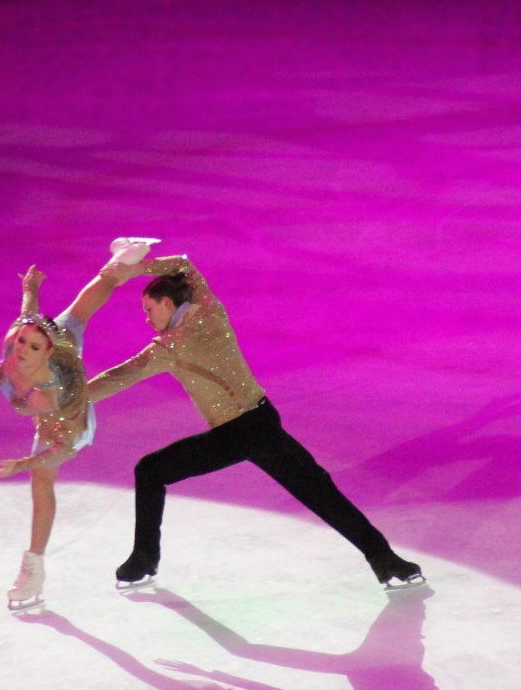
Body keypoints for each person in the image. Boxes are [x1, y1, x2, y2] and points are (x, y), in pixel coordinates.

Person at [86, 251, 424, 591]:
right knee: (321, 493)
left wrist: (74, 400)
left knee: (150, 470)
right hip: (262, 422)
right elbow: (184, 265)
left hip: (234, 434)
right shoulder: (211, 311)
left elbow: (119, 376)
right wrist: (137, 269)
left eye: (149, 308)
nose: (146, 318)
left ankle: (144, 558)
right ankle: (385, 559)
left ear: (168, 304)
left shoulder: (169, 347)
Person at [0, 260, 127, 609]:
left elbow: (63, 449)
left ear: (48, 352)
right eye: (22, 342)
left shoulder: (52, 398)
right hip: (57, 347)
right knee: (76, 313)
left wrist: (19, 465)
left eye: (34, 347)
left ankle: (33, 568)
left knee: (41, 478)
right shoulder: (17, 342)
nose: (22, 350)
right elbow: (27, 318)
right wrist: (30, 289)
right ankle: (119, 262)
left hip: (67, 418)